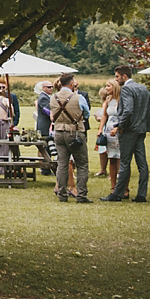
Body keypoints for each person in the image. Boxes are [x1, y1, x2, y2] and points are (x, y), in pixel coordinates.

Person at [101, 64, 150, 203]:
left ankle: (117, 194)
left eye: (117, 77)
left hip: (129, 131)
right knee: (142, 163)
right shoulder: (142, 87)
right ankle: (141, 195)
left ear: (124, 76)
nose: (116, 80)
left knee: (125, 162)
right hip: (141, 129)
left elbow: (128, 110)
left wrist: (120, 125)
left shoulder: (126, 89)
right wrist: (144, 118)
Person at [51, 73, 91, 203]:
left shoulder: (53, 97)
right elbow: (86, 113)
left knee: (62, 164)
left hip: (58, 132)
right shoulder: (78, 97)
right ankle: (81, 195)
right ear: (71, 83)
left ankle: (62, 194)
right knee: (82, 164)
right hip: (74, 133)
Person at [99, 80, 122, 195]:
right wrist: (100, 129)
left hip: (119, 131)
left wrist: (118, 128)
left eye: (108, 86)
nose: (106, 88)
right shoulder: (108, 100)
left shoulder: (121, 100)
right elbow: (104, 115)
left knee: (121, 159)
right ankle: (113, 187)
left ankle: (123, 187)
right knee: (111, 158)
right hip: (108, 132)